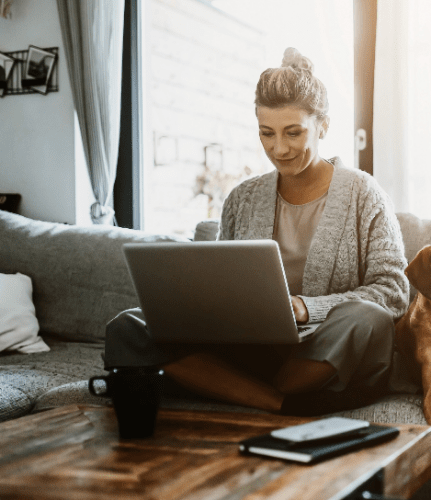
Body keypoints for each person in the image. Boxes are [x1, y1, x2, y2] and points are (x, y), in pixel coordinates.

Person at [104, 48, 409, 416]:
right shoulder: (242, 198)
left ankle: (228, 386)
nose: (279, 148)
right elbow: (219, 283)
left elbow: (392, 292)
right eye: (267, 133)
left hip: (325, 349)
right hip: (250, 348)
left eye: (293, 132)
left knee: (367, 318)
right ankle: (280, 403)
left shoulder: (364, 194)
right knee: (128, 326)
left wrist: (306, 308)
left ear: (323, 126)